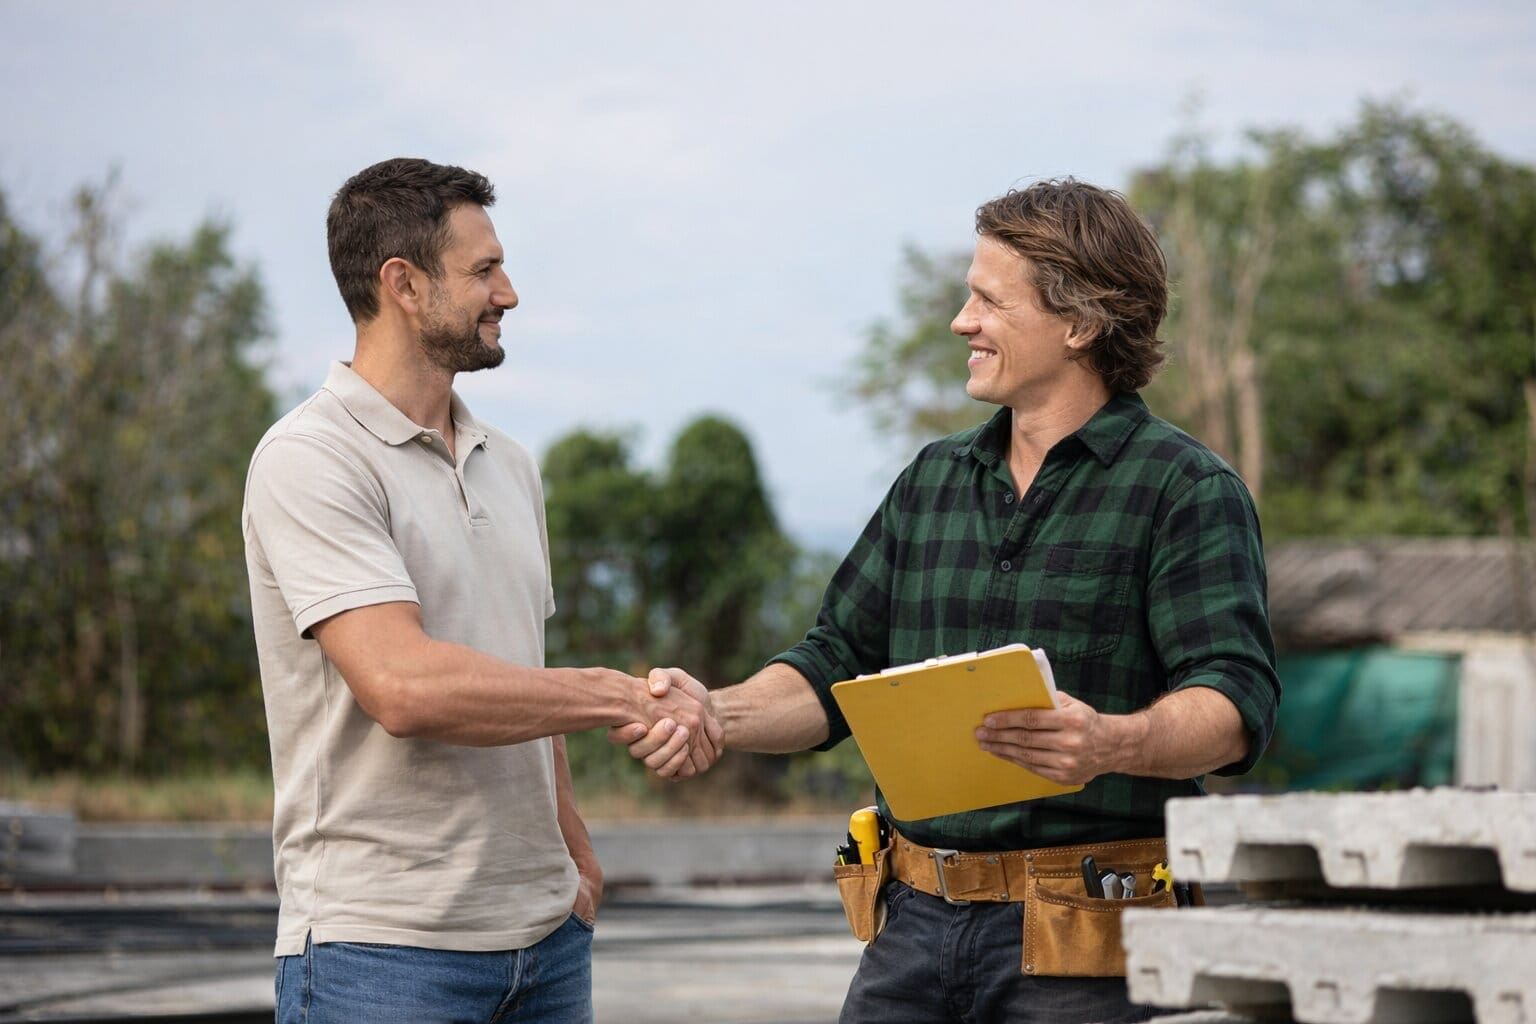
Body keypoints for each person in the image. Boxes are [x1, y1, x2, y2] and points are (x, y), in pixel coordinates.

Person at [618, 179, 1280, 1023]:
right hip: (911, 929)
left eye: (987, 301)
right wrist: (715, 711)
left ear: (1079, 325)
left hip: (1091, 937)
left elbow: (1235, 701)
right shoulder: (932, 480)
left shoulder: (1184, 489)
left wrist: (1112, 741)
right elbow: (835, 664)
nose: (962, 322)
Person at [242, 157, 716, 1023]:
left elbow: (521, 672)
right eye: (484, 270)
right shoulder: (312, 460)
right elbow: (405, 687)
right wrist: (616, 695)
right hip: (381, 955)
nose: (510, 293)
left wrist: (573, 853)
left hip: (546, 945)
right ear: (404, 285)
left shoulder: (510, 464)